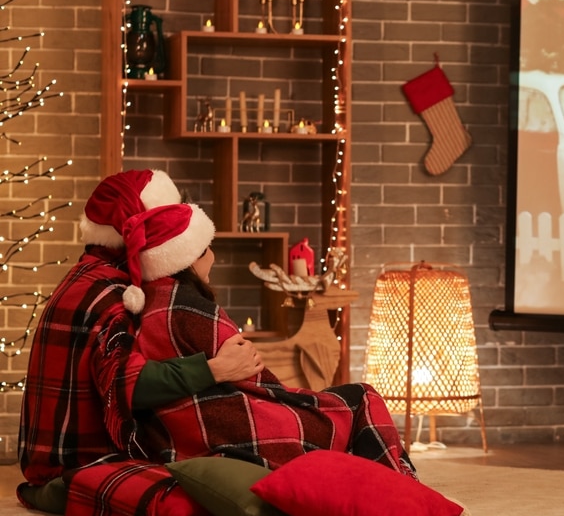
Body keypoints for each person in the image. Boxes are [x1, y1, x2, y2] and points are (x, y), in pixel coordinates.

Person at [118, 198, 416, 477]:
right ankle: (402, 484)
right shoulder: (192, 307)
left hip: (179, 437)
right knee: (362, 397)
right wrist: (304, 402)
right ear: (189, 258)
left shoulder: (146, 304)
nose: (214, 256)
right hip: (232, 429)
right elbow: (260, 381)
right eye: (208, 249)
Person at [18, 169, 263, 486]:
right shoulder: (113, 295)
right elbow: (127, 382)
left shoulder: (90, 274)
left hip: (51, 456)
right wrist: (214, 369)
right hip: (79, 462)